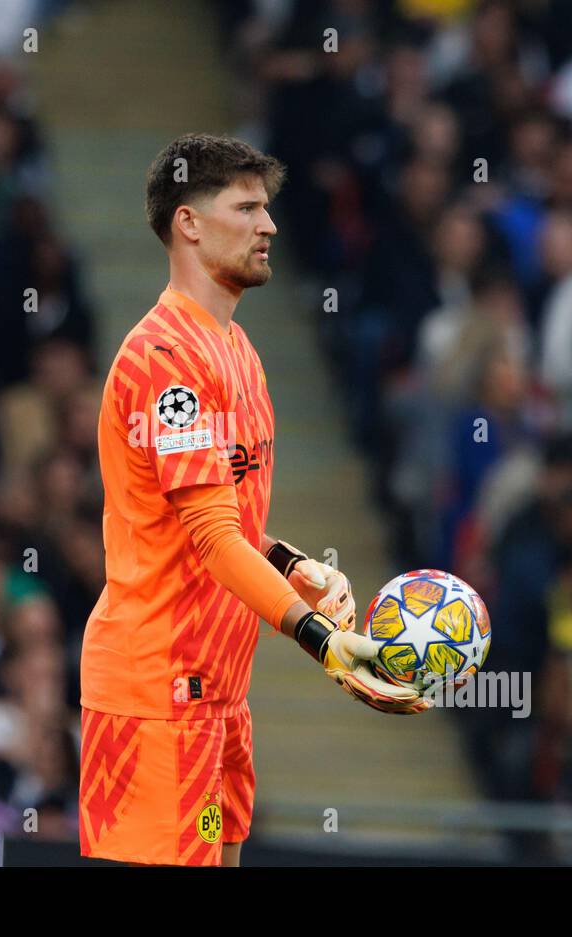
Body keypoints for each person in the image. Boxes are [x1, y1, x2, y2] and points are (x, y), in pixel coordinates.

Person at [78, 134, 428, 868]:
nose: (269, 226)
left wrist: (293, 564)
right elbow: (210, 537)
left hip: (218, 703)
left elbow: (228, 525)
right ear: (189, 223)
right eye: (247, 207)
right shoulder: (164, 363)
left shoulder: (237, 353)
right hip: (158, 701)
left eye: (266, 208)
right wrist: (323, 641)